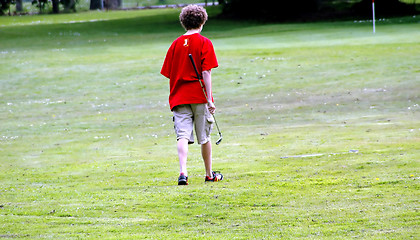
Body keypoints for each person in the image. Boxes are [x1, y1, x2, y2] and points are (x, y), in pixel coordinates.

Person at [161, 4, 223, 185]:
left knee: (182, 135)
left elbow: (169, 73)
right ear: (202, 21)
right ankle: (209, 174)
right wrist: (209, 99)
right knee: (204, 137)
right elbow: (206, 73)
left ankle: (183, 172)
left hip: (179, 97)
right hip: (200, 96)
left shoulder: (175, 44)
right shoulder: (205, 43)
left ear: (183, 22)